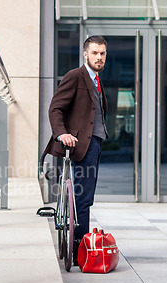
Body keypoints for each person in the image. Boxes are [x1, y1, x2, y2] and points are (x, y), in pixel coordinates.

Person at [44, 35, 108, 265]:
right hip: (81, 145)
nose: (99, 57)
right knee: (83, 198)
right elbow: (55, 108)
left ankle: (80, 244)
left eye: (102, 53)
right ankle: (80, 249)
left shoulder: (97, 80)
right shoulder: (76, 76)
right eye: (94, 53)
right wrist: (61, 133)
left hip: (96, 142)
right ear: (85, 54)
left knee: (85, 196)